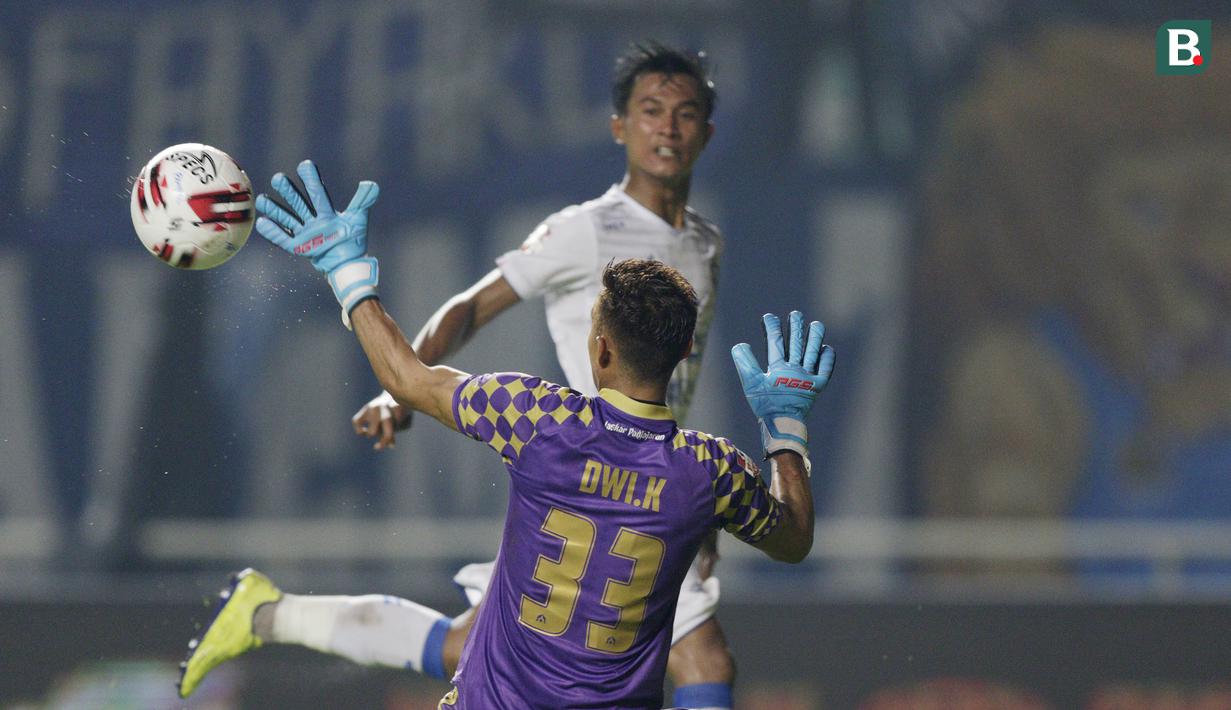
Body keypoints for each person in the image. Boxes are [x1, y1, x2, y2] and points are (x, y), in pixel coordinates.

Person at [179, 42, 755, 708]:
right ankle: (265, 615)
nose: (668, 128)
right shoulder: (584, 232)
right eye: (650, 111)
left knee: (466, 645)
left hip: (636, 486)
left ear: (706, 133)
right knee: (702, 657)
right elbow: (470, 306)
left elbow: (668, 397)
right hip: (592, 484)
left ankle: (265, 615)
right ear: (618, 126)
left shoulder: (703, 241)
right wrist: (405, 387)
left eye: (685, 114)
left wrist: (695, 505)